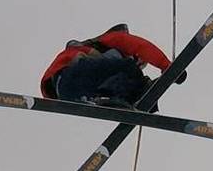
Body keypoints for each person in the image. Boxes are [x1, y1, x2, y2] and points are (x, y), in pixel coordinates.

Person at [40, 23, 185, 109]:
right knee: (128, 68)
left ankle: (127, 98)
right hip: (70, 77)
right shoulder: (113, 40)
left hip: (68, 92)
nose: (140, 64)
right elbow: (142, 47)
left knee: (123, 77)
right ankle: (137, 94)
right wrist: (169, 68)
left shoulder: (107, 66)